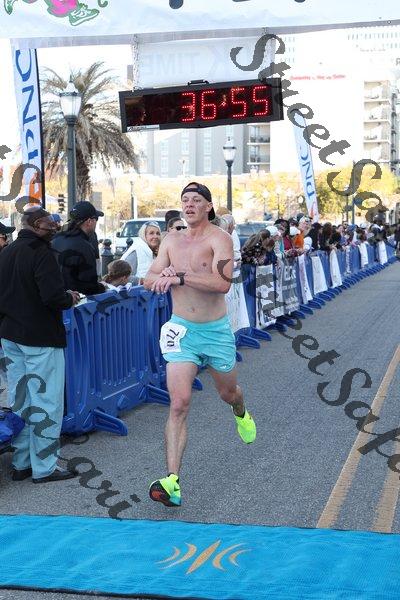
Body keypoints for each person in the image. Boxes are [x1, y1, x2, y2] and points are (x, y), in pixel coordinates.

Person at [144, 181, 256, 507]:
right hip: (182, 331)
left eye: (196, 200)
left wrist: (180, 276)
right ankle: (172, 482)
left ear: (208, 206)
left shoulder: (220, 239)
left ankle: (241, 411)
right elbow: (148, 278)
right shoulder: (171, 240)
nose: (189, 205)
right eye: (185, 200)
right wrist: (160, 278)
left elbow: (222, 283)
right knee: (179, 403)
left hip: (216, 331)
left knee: (228, 393)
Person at [0, 206, 80, 483]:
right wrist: (70, 297)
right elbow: (53, 297)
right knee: (46, 401)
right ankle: (44, 466)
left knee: (20, 399)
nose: (55, 227)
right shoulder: (42, 253)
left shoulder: (6, 252)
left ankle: (21, 462)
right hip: (41, 337)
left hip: (11, 336)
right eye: (50, 223)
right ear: (36, 224)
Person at [51, 201, 106, 296]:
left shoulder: (55, 238)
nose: (96, 223)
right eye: (96, 219)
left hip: (54, 298)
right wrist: (103, 286)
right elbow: (89, 286)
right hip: (75, 301)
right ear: (89, 221)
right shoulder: (84, 246)